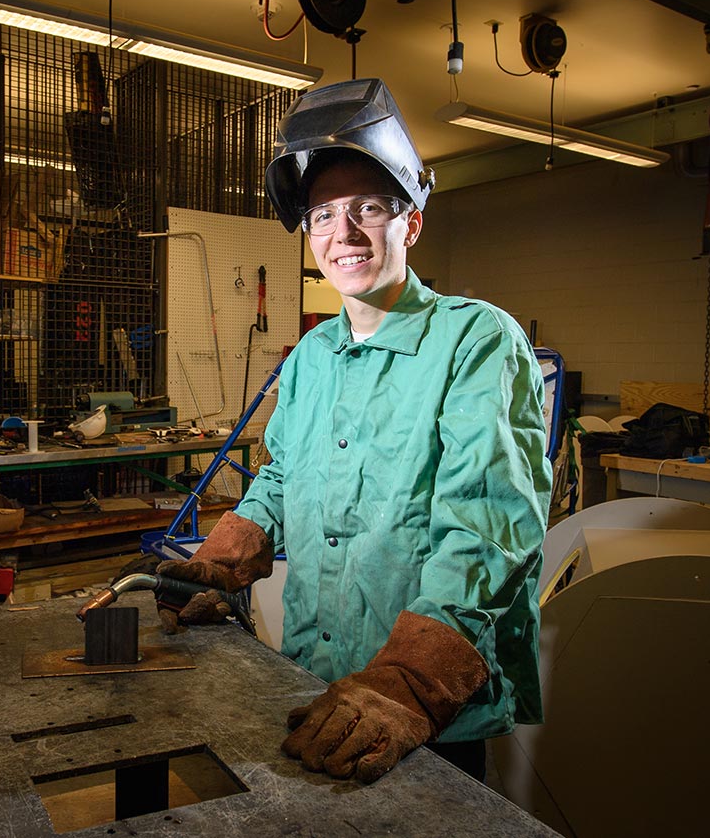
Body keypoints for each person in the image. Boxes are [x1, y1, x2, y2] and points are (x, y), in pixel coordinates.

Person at [157, 78, 552, 785]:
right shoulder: (309, 357)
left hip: (424, 713)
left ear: (411, 223)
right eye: (322, 215)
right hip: (312, 677)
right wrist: (226, 552)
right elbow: (281, 476)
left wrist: (409, 681)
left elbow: (488, 526)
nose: (342, 234)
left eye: (368, 208)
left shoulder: (475, 340)